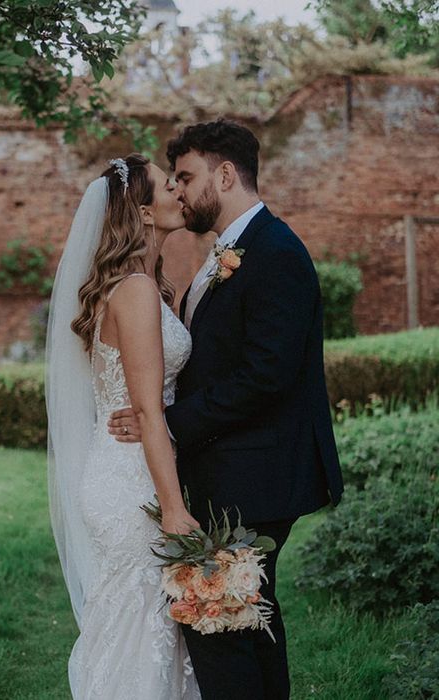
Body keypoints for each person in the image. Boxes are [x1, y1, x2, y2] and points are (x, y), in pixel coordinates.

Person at [108, 120, 344, 700]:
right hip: (232, 471)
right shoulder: (228, 252)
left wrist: (163, 424)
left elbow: (266, 376)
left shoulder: (276, 252)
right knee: (247, 621)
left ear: (226, 174)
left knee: (219, 631)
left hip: (254, 477)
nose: (180, 191)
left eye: (186, 177)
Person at [46, 154, 202, 699]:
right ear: (142, 211)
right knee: (141, 631)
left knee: (143, 630)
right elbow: (150, 411)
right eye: (167, 185)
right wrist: (175, 509)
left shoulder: (149, 287)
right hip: (134, 483)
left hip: (130, 468)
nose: (180, 192)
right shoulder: (134, 291)